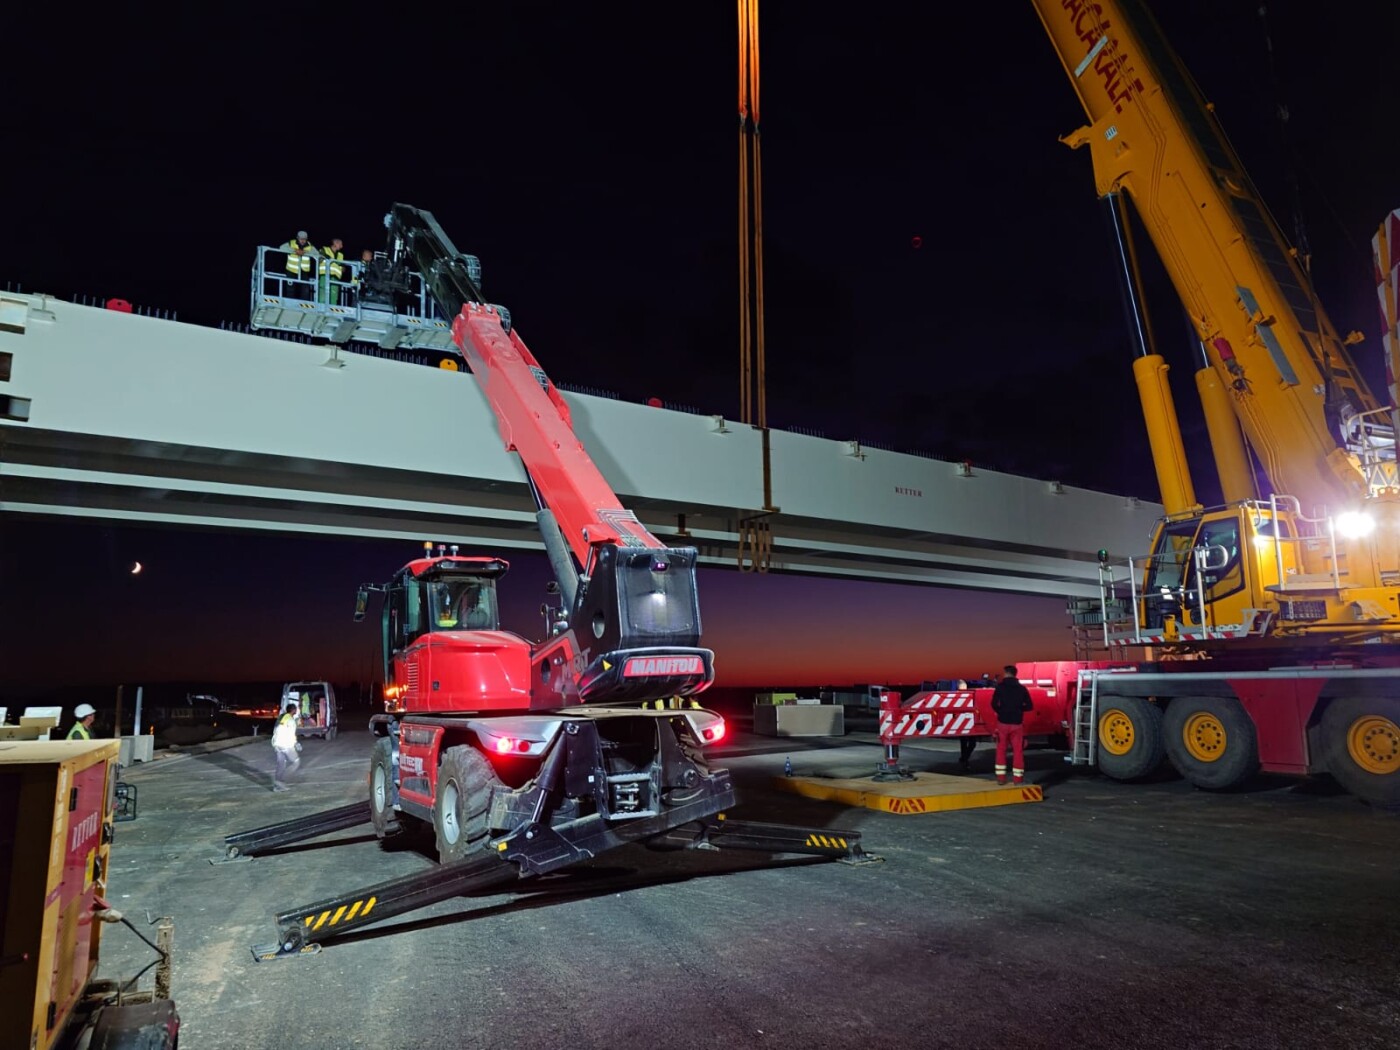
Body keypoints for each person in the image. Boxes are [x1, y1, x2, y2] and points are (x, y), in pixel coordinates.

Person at [989, 665, 1034, 785]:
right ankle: (1018, 779)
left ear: (1006, 674)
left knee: (1001, 750)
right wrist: (1019, 709)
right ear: (1015, 674)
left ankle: (1001, 778)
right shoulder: (1022, 689)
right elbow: (1030, 706)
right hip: (1017, 724)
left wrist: (1001, 711)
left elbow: (993, 704)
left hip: (1002, 723)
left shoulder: (1000, 687)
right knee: (1018, 751)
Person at [271, 701, 301, 791]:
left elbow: (276, 730)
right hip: (286, 745)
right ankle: (280, 782)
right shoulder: (291, 720)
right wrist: (295, 743)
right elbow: (290, 734)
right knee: (296, 762)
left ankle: (277, 787)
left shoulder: (281, 717)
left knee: (281, 765)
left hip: (277, 744)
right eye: (296, 709)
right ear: (293, 710)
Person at [283, 230, 319, 301]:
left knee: (305, 288)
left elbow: (317, 254)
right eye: (301, 238)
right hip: (291, 269)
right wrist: (295, 250)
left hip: (303, 270)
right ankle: (290, 302)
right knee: (290, 287)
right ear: (297, 238)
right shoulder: (291, 243)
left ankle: (304, 303)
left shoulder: (309, 245)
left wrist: (305, 252)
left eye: (304, 239)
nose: (303, 240)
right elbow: (281, 247)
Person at [318, 237, 346, 305]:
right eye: (340, 244)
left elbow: (343, 266)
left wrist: (343, 268)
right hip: (324, 276)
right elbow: (319, 258)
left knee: (333, 297)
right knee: (323, 295)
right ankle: (320, 313)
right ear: (335, 243)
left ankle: (332, 313)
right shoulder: (324, 249)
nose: (341, 246)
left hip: (335, 278)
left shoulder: (340, 255)